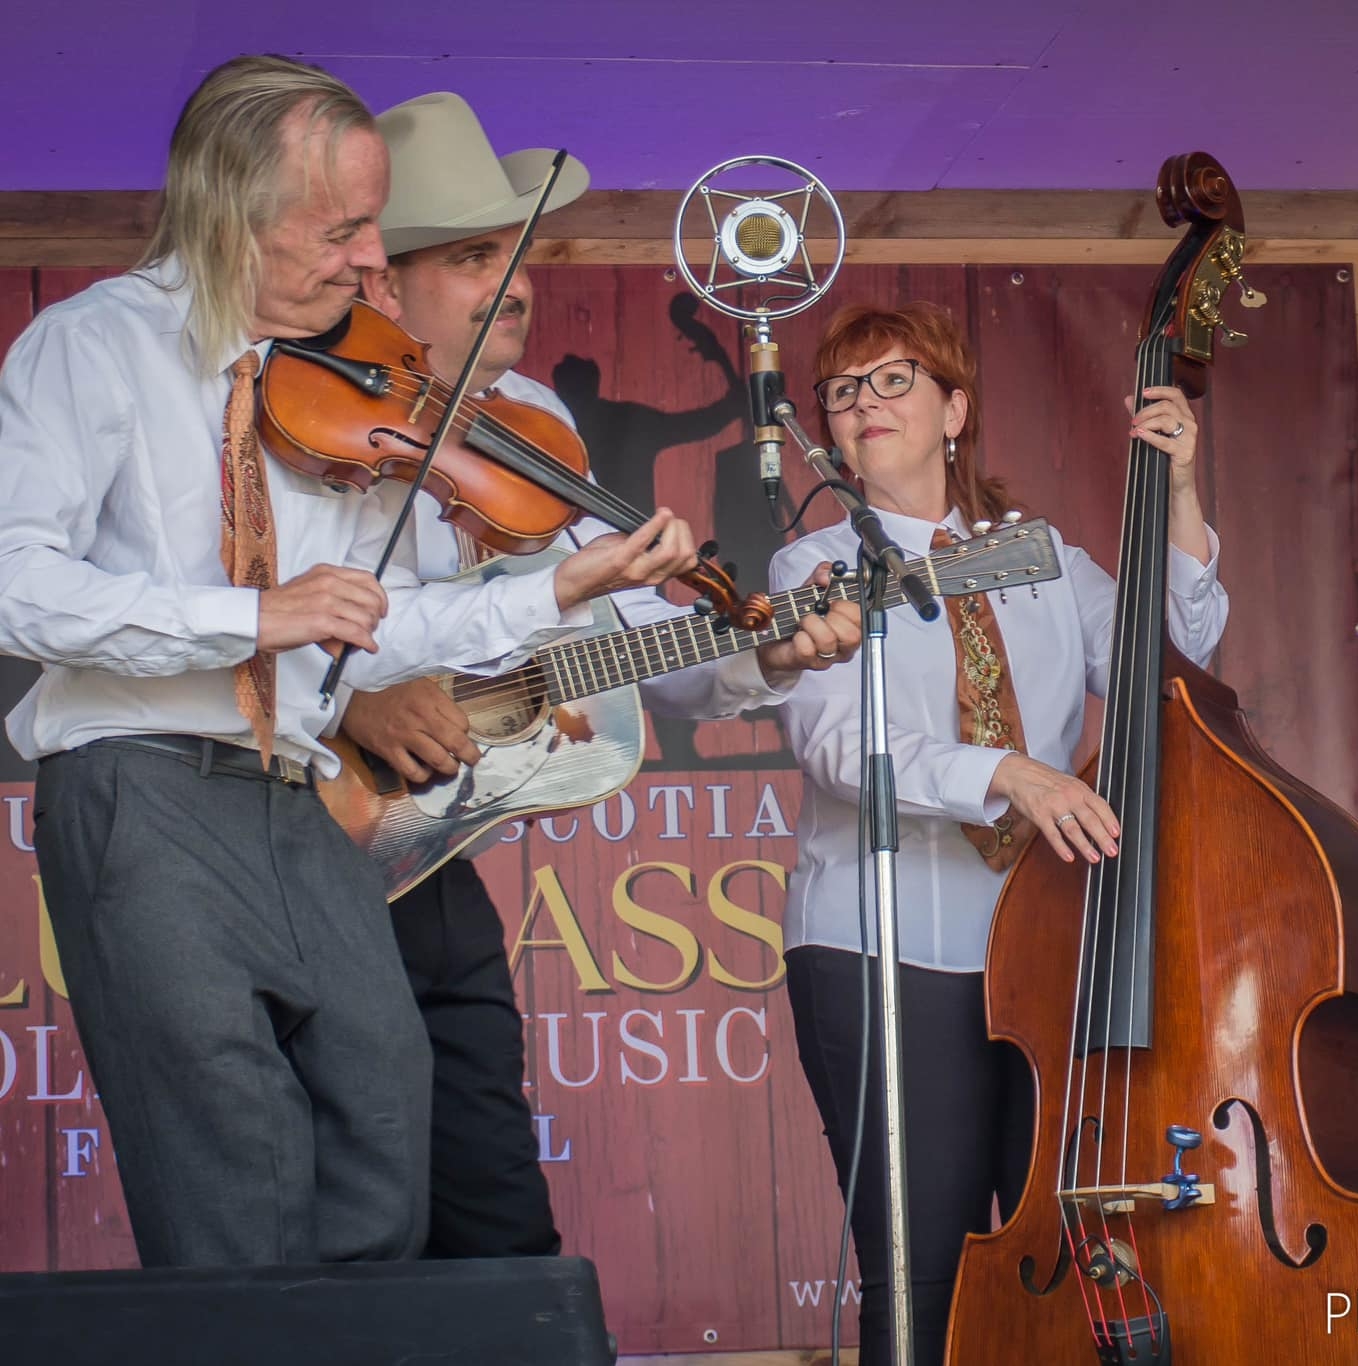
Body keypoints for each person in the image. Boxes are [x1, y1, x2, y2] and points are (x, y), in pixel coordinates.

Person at [0, 56, 705, 1267]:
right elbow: (16, 585)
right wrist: (249, 615)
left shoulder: (314, 380)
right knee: (232, 1169)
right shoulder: (92, 347)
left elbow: (367, 626)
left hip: (291, 790)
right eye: (344, 229)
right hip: (141, 786)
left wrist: (556, 589)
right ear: (232, 208)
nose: (373, 260)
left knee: (388, 1096)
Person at [343, 91, 862, 1258]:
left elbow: (632, 636)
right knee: (344, 1197)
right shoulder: (298, 402)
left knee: (488, 1181)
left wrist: (757, 657)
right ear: (384, 277)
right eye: (477, 254)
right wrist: (349, 695)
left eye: (518, 251)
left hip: (433, 839)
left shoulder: (532, 418)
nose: (515, 279)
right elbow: (252, 605)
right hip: (302, 817)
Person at [768, 302, 1229, 1365]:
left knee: (1061, 1253)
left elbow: (1179, 661)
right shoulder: (814, 570)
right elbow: (846, 749)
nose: (863, 406)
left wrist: (1183, 492)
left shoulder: (1043, 558)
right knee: (921, 1265)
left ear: (953, 409)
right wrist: (1008, 773)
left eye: (892, 381)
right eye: (842, 392)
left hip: (1041, 950)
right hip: (881, 951)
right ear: (827, 432)